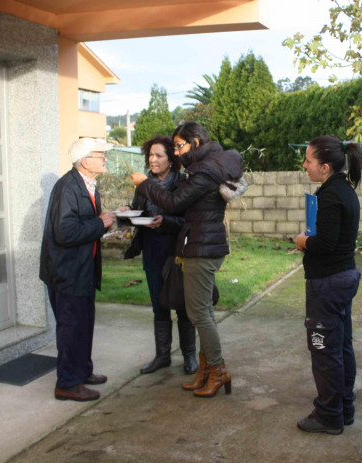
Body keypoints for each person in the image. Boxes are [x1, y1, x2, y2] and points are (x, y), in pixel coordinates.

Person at [130, 121, 244, 398]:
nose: (177, 152)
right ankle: (206, 371)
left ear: (195, 142)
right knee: (201, 311)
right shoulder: (207, 166)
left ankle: (217, 370)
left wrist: (145, 184)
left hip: (201, 248)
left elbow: (173, 203)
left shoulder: (204, 170)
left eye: (179, 146)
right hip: (199, 245)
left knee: (198, 314)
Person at [293, 135, 362, 435]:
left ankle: (329, 415)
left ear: (324, 167)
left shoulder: (331, 196)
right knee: (341, 345)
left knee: (324, 350)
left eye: (308, 160)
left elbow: (325, 244)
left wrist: (303, 241)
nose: (304, 165)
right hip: (342, 278)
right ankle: (343, 407)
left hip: (329, 284)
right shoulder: (342, 189)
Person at [40, 137, 116, 402]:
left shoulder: (87, 184)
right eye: (100, 155)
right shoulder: (67, 187)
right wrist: (101, 222)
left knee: (83, 325)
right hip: (68, 272)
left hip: (82, 270)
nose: (104, 159)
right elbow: (66, 232)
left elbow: (85, 224)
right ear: (85, 161)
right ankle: (68, 384)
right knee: (71, 328)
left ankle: (81, 372)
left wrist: (104, 222)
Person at [122, 135, 198, 375]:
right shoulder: (144, 183)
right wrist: (128, 212)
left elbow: (190, 220)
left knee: (183, 305)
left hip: (178, 251)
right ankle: (162, 356)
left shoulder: (183, 182)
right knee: (158, 305)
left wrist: (165, 221)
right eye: (150, 156)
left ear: (171, 160)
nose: (152, 160)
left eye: (158, 156)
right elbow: (139, 210)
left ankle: (189, 356)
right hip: (152, 249)